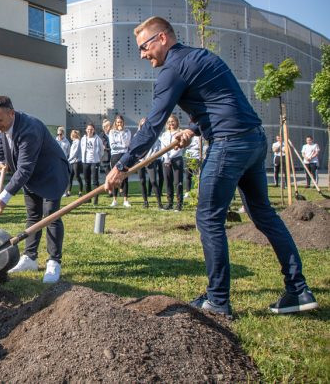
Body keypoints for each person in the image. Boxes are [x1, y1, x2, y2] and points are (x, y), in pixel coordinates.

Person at [106, 16, 318, 316]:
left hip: (229, 144)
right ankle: (298, 290)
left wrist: (122, 165)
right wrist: (192, 129)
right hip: (253, 140)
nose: (142, 55)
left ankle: (217, 301)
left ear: (162, 38)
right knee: (264, 215)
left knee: (208, 218)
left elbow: (152, 125)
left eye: (144, 47)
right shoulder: (202, 57)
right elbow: (221, 102)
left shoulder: (172, 70)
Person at [0, 96, 70, 283]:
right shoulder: (3, 124)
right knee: (33, 215)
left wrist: (3, 197)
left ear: (11, 113)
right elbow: (2, 140)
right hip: (31, 176)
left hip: (51, 173)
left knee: (51, 217)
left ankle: (54, 262)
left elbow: (24, 168)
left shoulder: (29, 129)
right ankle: (30, 258)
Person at [159, 115, 185, 211]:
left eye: (173, 121)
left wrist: (170, 157)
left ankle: (179, 204)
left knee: (177, 182)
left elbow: (180, 147)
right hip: (166, 160)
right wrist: (166, 158)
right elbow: (163, 147)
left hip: (177, 159)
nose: (171, 123)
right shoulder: (164, 134)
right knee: (168, 181)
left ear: (177, 122)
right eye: (169, 122)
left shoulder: (180, 133)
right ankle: (170, 203)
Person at [136, 117, 163, 209]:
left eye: (145, 124)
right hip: (140, 162)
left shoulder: (153, 135)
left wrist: (150, 159)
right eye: (142, 124)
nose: (144, 125)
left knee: (153, 181)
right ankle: (145, 202)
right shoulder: (137, 135)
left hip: (150, 160)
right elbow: (135, 148)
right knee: (142, 181)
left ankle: (159, 203)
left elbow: (156, 148)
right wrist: (141, 159)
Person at [108, 115, 131, 207]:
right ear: (115, 123)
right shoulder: (112, 132)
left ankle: (125, 200)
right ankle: (114, 200)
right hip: (115, 156)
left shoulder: (127, 131)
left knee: (124, 178)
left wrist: (121, 133)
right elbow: (113, 146)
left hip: (124, 156)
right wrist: (123, 146)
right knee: (115, 177)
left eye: (121, 122)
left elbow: (127, 144)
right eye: (117, 122)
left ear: (123, 122)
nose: (119, 124)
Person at [80, 123, 103, 204]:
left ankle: (95, 199)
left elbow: (101, 150)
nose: (89, 131)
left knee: (95, 181)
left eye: (91, 129)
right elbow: (81, 149)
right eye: (88, 129)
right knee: (87, 181)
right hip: (85, 162)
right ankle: (88, 199)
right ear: (86, 130)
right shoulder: (83, 139)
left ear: (94, 130)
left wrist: (98, 159)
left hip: (94, 162)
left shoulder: (97, 139)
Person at [67, 129, 83, 197]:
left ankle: (80, 192)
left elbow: (75, 153)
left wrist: (68, 159)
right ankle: (69, 192)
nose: (70, 136)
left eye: (71, 135)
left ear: (73, 135)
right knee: (70, 177)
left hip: (76, 162)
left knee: (77, 176)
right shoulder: (73, 142)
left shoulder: (77, 142)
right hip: (72, 162)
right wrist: (70, 160)